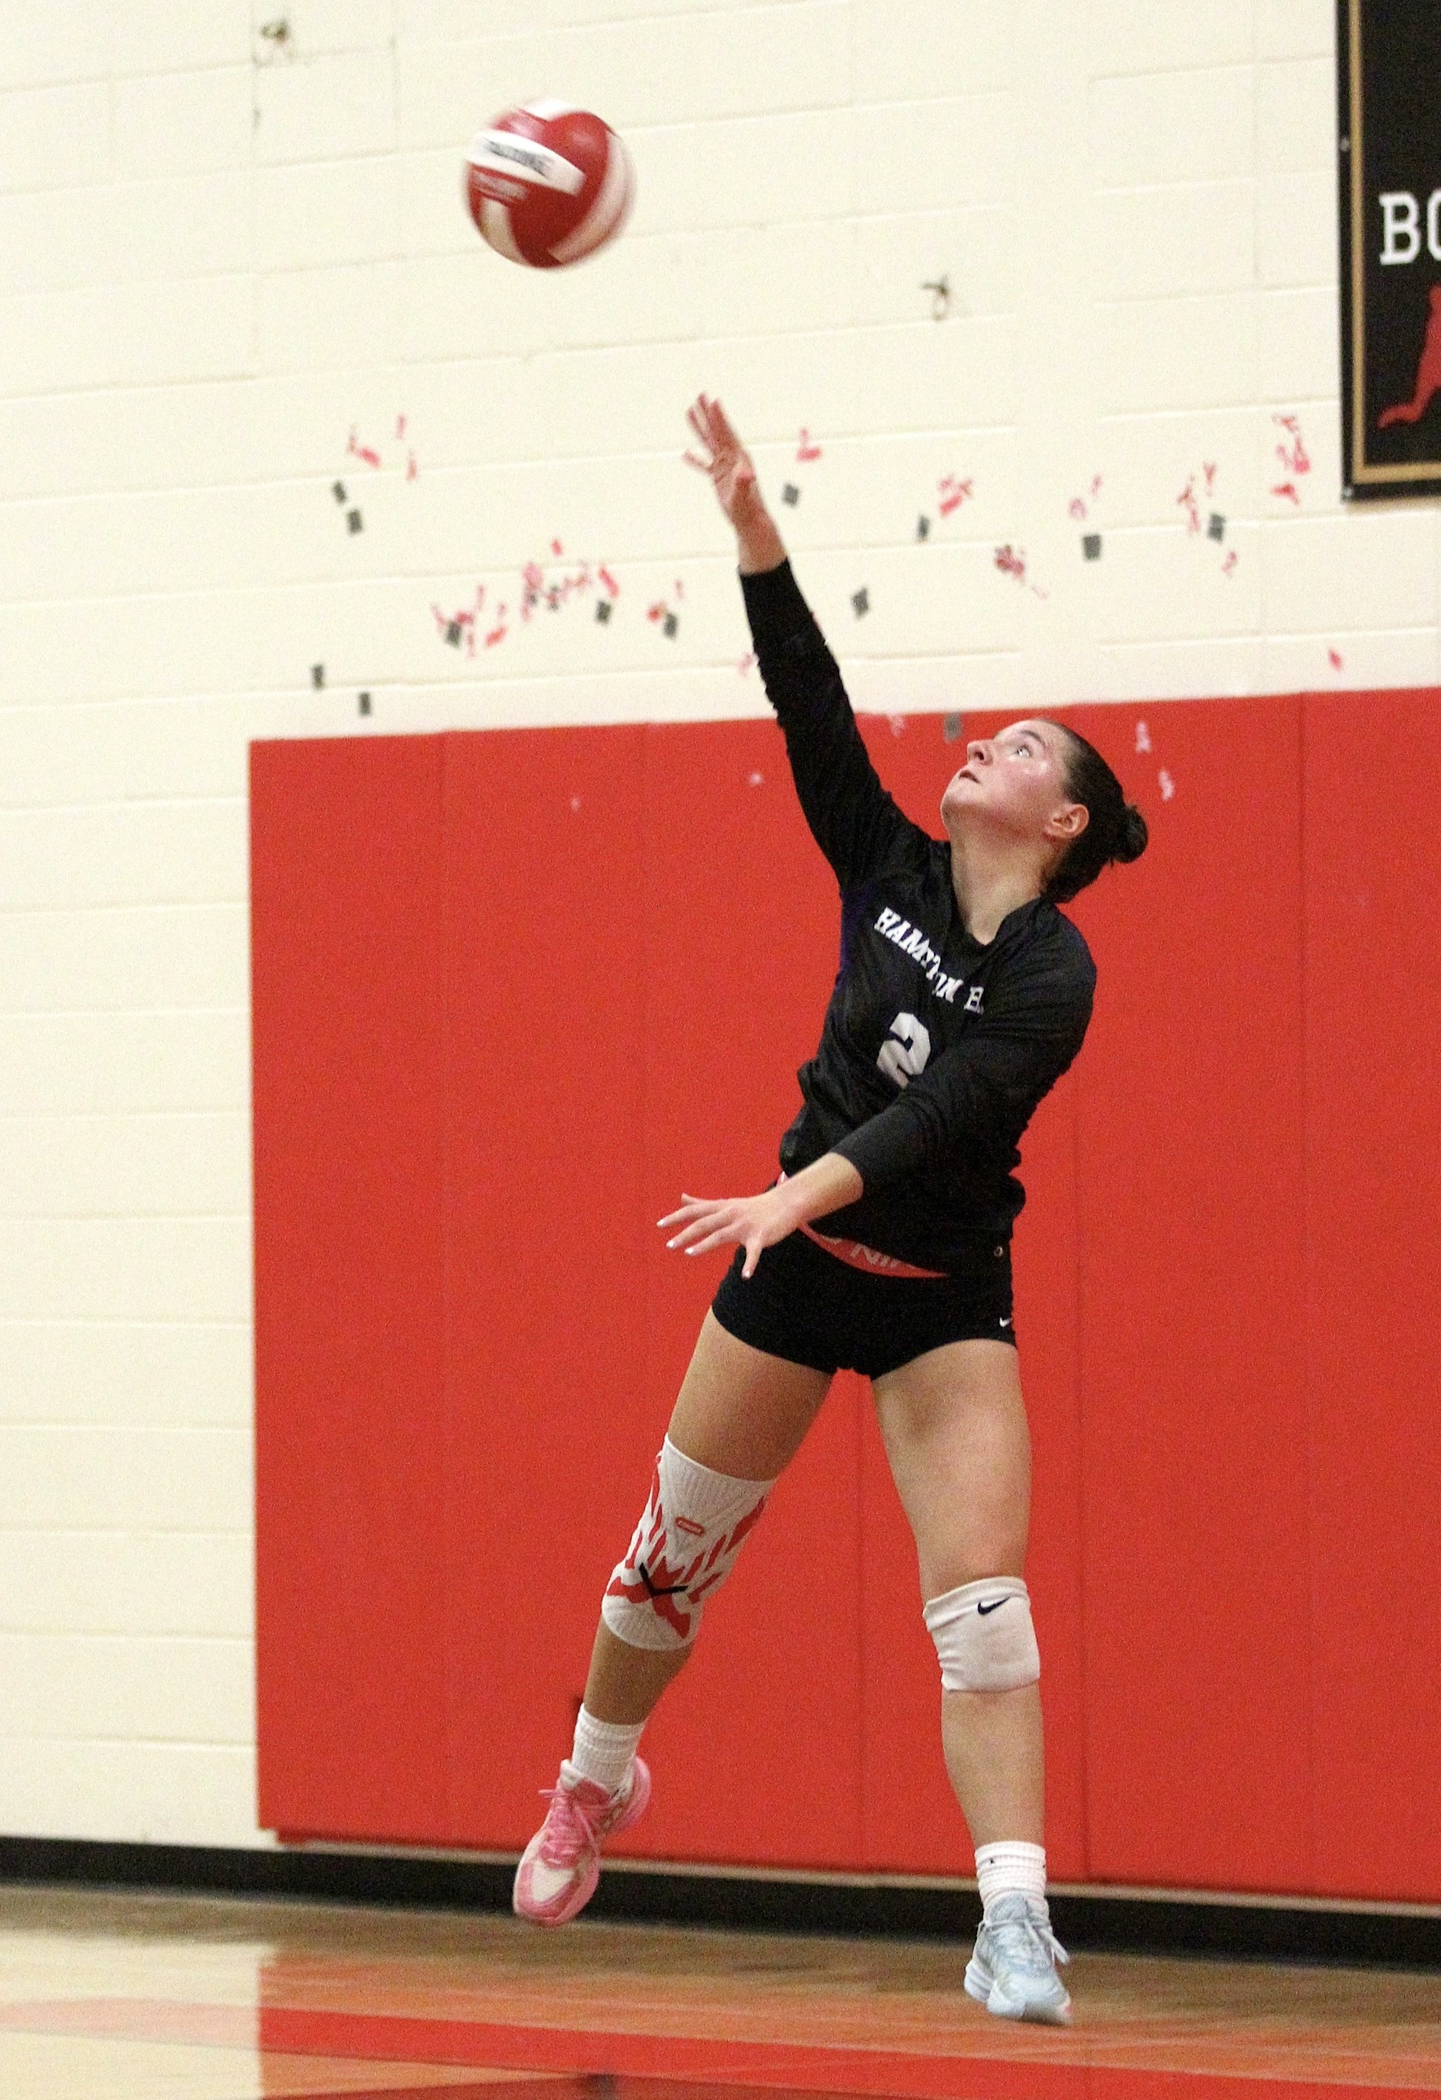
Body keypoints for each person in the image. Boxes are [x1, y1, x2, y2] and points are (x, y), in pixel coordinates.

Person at [512, 396, 1148, 2025]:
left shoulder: (1056, 973)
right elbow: (809, 700)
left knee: (986, 1618)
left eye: (1024, 748)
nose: (985, 744)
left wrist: (793, 1186)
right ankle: (594, 1780)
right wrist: (752, 528)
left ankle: (1016, 1922)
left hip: (935, 1292)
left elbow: (944, 1120)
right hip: (794, 1272)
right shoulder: (886, 866)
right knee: (663, 1571)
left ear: (1064, 823)